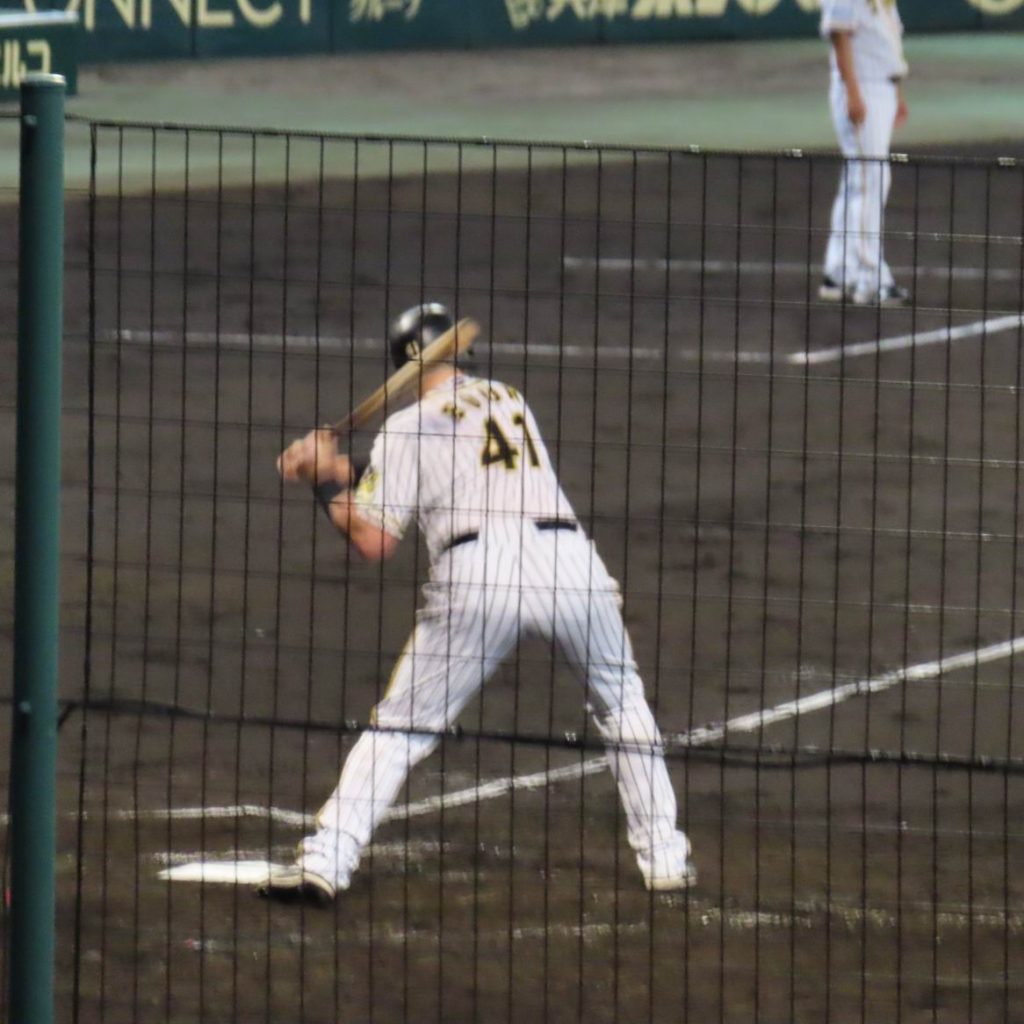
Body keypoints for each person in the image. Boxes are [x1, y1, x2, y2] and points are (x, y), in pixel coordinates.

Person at [257, 302, 695, 904]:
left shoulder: (405, 428)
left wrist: (326, 481)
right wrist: (339, 467)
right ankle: (665, 858)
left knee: (402, 729)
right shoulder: (509, 399)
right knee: (622, 705)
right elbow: (446, 467)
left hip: (479, 575)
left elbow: (374, 540)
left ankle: (326, 860)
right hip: (571, 565)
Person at [818, 0, 910, 307]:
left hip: (879, 87)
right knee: (871, 179)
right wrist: (853, 92)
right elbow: (839, 34)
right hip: (863, 87)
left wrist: (896, 92)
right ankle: (870, 278)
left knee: (858, 180)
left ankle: (839, 270)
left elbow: (888, 37)